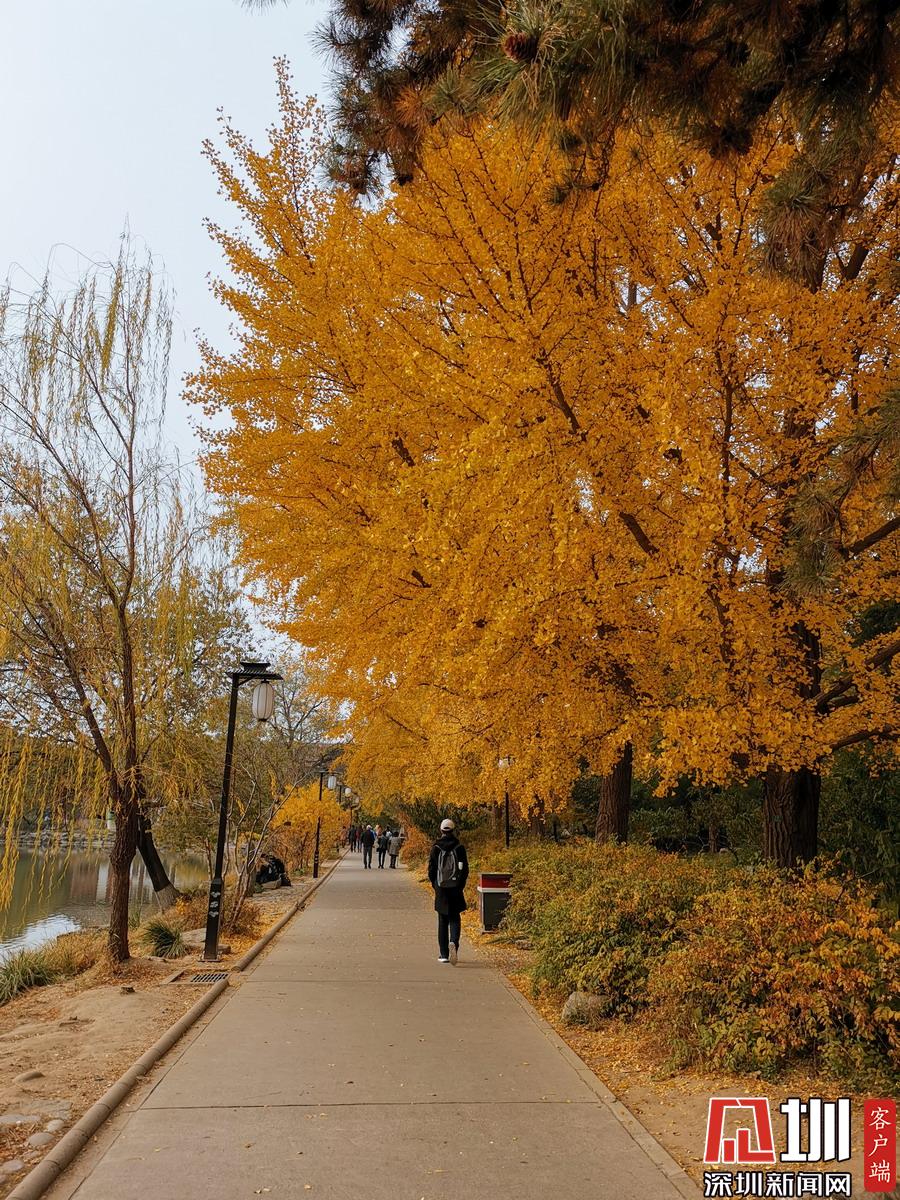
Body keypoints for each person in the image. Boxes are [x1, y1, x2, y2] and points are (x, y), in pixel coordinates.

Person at [427, 818, 469, 964]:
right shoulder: (459, 847)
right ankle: (454, 942)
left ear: (441, 830)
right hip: (455, 887)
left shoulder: (436, 848)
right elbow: (465, 869)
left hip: (441, 888)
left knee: (442, 920)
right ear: (453, 830)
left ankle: (444, 954)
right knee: (455, 917)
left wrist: (435, 885)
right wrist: (460, 885)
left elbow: (431, 869)